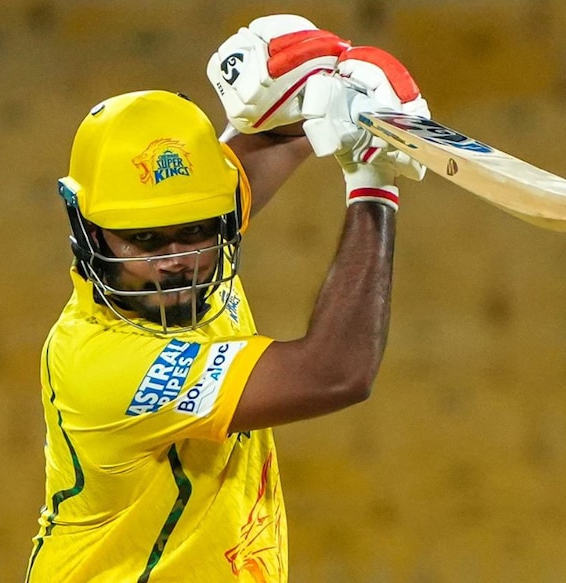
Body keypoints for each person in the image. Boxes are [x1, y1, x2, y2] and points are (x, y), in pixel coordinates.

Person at [27, 14, 431, 583]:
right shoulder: (100, 364)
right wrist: (374, 182)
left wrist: (332, 81)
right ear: (86, 231)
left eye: (194, 232)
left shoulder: (192, 256)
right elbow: (335, 373)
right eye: (143, 240)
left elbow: (282, 139)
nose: (174, 261)